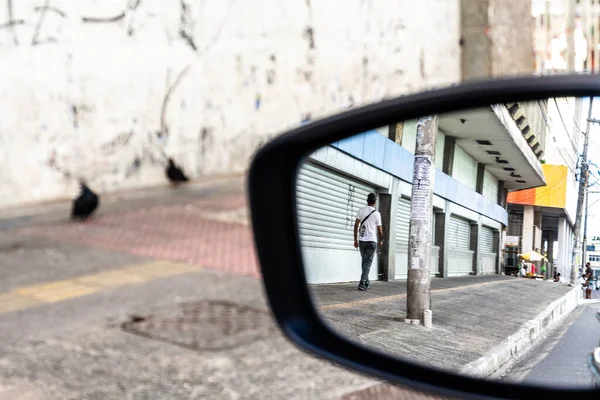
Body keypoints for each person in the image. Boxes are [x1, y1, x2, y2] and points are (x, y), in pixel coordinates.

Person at [354, 192, 383, 291]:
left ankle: (366, 281)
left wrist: (355, 239)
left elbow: (356, 225)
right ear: (375, 202)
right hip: (371, 240)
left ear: (367, 200)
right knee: (368, 262)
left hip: (362, 240)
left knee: (364, 261)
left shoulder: (361, 211)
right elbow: (380, 229)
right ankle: (362, 283)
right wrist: (381, 240)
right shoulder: (377, 214)